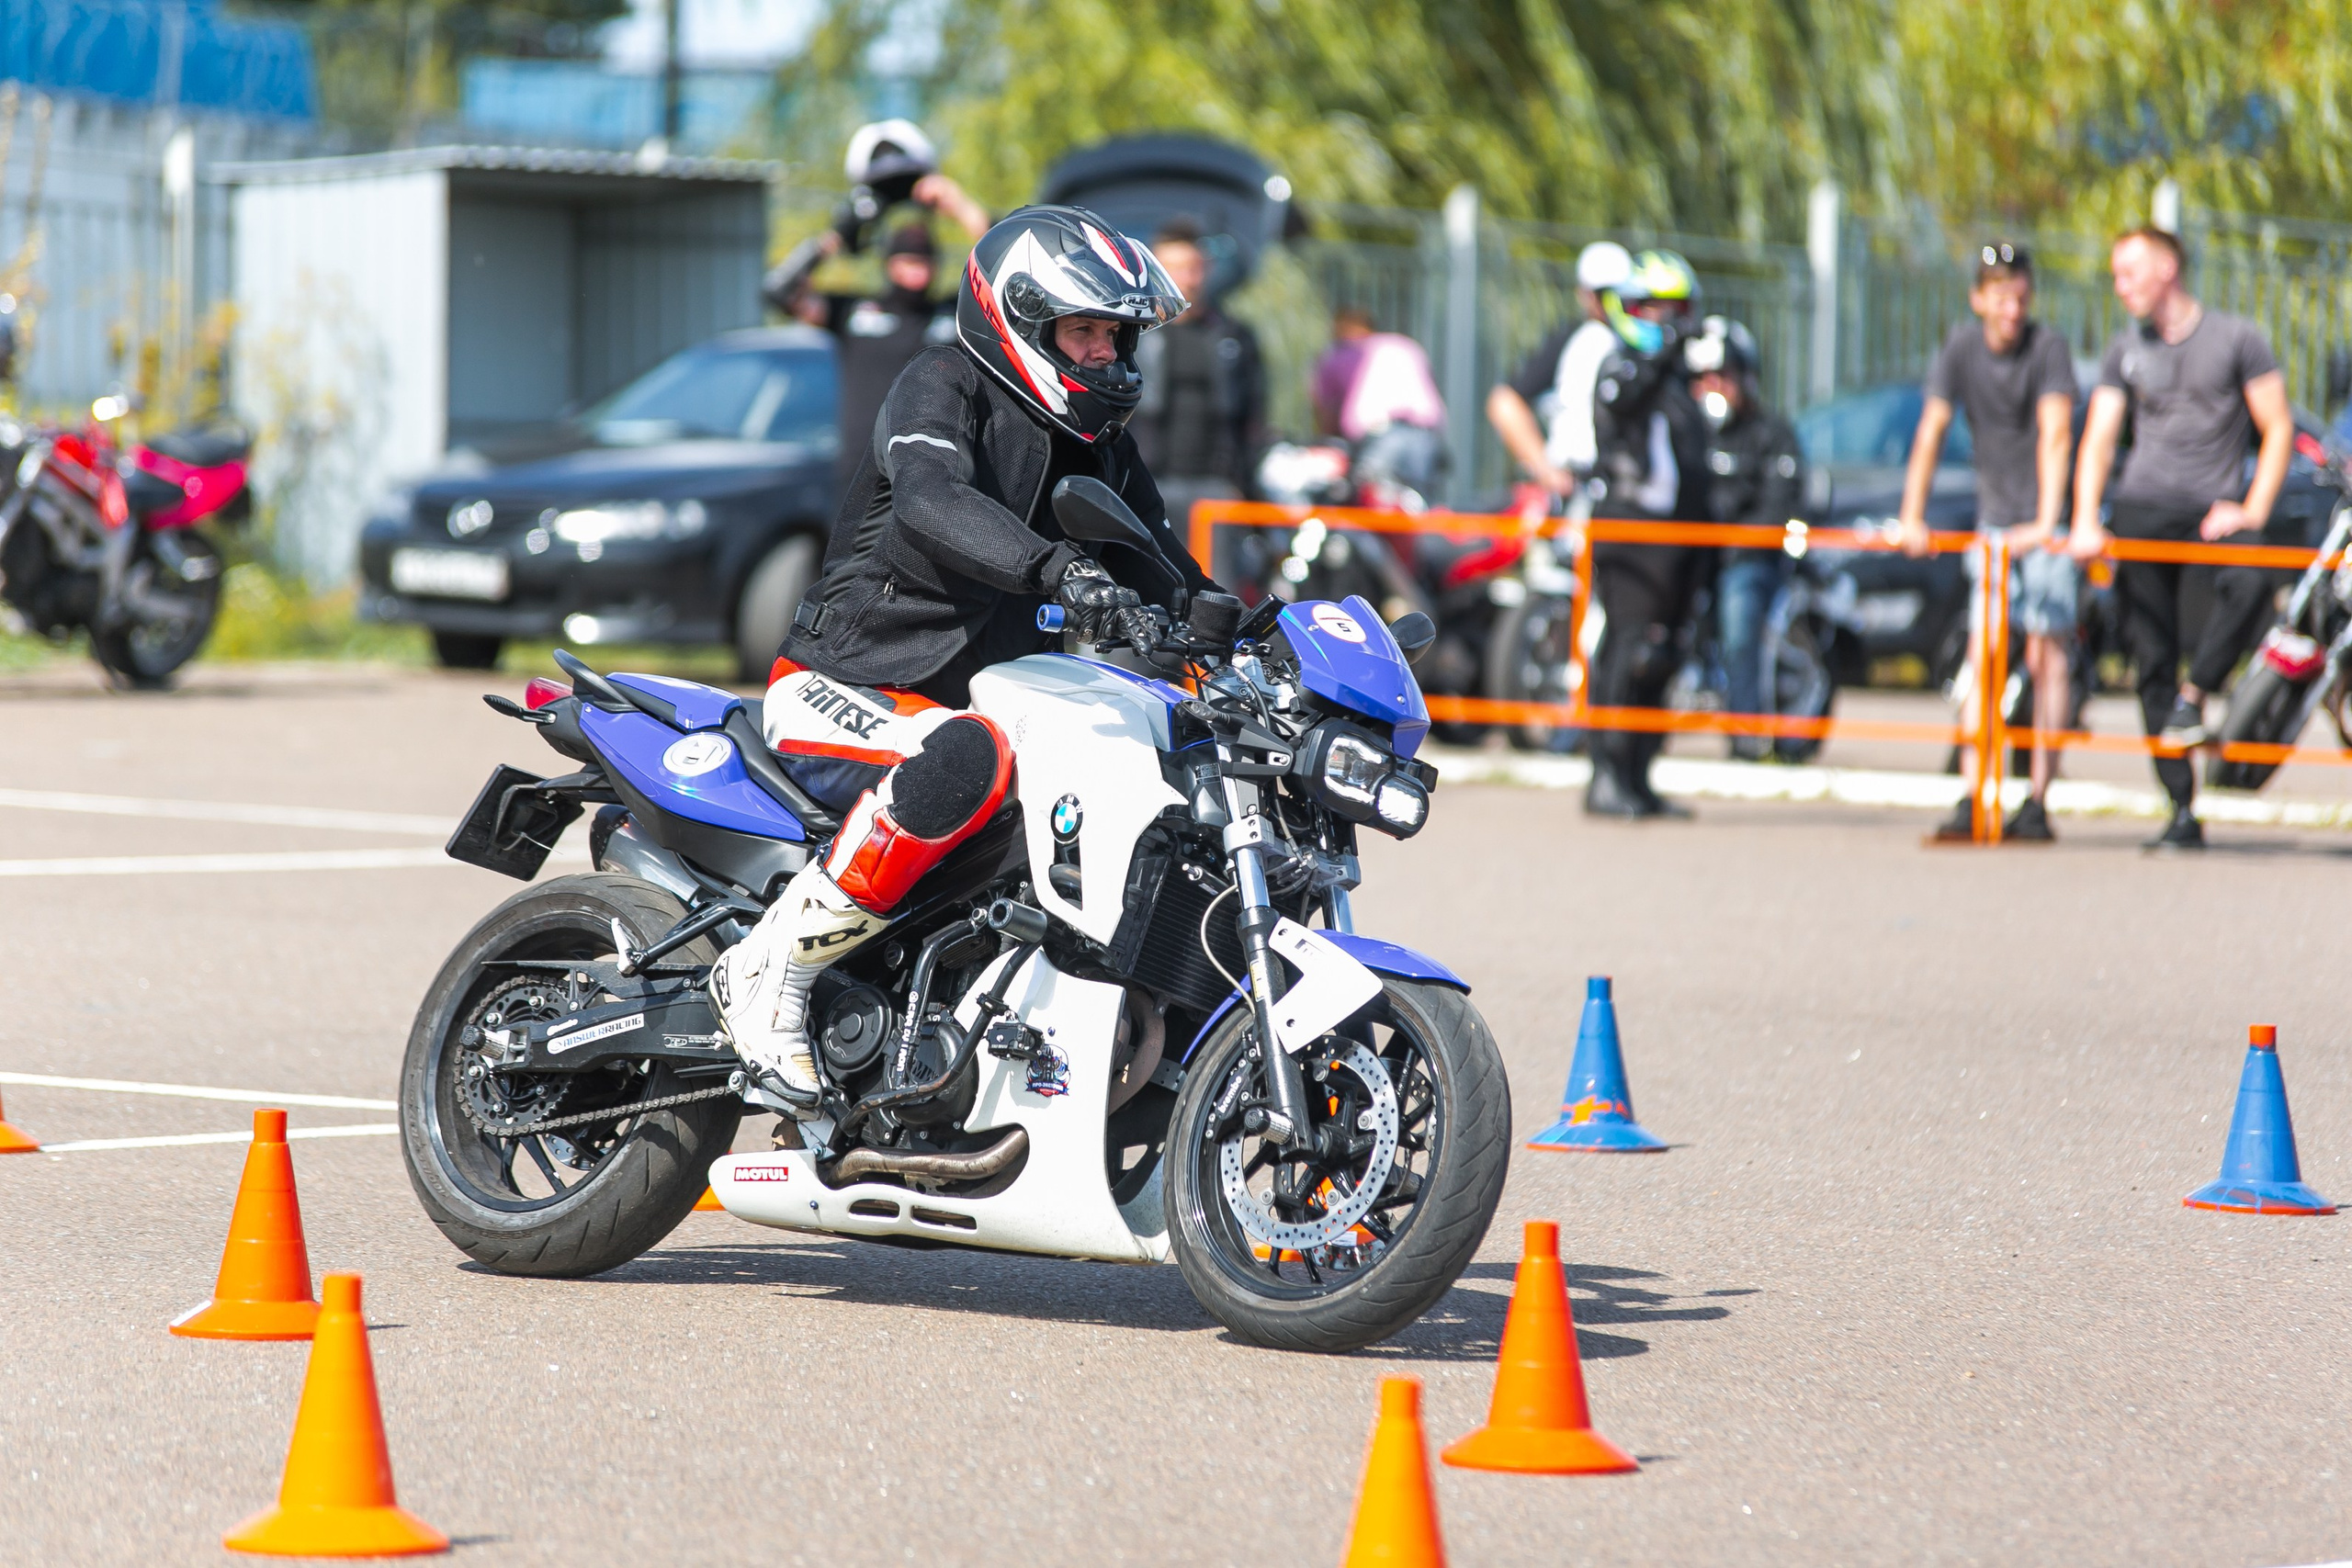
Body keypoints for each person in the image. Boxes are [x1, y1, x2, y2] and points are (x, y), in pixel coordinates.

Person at [710, 206, 1216, 1101]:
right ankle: (769, 968)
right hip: (844, 682)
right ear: (1021, 320)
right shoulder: (941, 384)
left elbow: (1163, 563)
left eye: (1115, 335)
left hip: (972, 705)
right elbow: (930, 498)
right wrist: (1056, 569)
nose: (1105, 353)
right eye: (1085, 332)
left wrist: (1253, 635)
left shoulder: (1101, 445)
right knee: (973, 754)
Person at [2069, 226, 2293, 852]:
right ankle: (2180, 808)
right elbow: (2100, 439)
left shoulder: (2236, 339)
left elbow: (2277, 427)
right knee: (2151, 659)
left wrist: (2251, 509)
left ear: (2167, 268)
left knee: (2253, 580)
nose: (2120, 286)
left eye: (2129, 272)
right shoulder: (2126, 348)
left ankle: (2196, 695)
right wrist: (2086, 518)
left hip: (2211, 511)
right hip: (2142, 508)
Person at [1494, 248, 1707, 818]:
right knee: (1622, 651)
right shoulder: (1621, 365)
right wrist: (1666, 352)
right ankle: (1607, 775)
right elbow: (1626, 402)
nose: (1664, 321)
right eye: (1650, 308)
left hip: (1673, 532)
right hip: (1627, 527)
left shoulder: (1677, 373)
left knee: (1661, 655)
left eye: (1673, 309)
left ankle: (1639, 775)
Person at [1896, 242, 2081, 843]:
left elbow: (2057, 434)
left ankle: (2038, 799)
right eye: (2000, 296)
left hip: (2045, 523)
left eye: (2021, 297)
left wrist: (2046, 523)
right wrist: (1911, 516)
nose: (2012, 309)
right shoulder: (1961, 348)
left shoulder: (2047, 348)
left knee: (2047, 658)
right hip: (1996, 524)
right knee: (1984, 655)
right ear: (1978, 298)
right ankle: (1975, 793)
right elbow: (1930, 431)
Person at [761, 119, 992, 494]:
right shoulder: (855, 313)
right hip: (861, 483)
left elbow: (1011, 269)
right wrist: (838, 236)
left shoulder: (953, 313)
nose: (916, 269)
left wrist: (959, 206)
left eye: (923, 259)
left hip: (938, 483)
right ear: (888, 262)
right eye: (906, 258)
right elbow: (779, 292)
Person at [1684, 316, 1804, 761]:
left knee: (1738, 617)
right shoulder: (1687, 433)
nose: (1711, 387)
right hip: (1696, 556)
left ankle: (1745, 735)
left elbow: (1781, 506)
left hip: (1749, 560)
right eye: (1702, 378)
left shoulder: (1771, 433)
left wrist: (1733, 541)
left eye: (1722, 376)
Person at [1128, 217, 1265, 549]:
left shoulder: (1233, 336)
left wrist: (1242, 483)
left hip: (1216, 489)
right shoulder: (1132, 335)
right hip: (1147, 484)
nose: (1186, 279)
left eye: (1194, 268)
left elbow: (1254, 414)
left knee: (1217, 580)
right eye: (1175, 268)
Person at [1485, 242, 1634, 495]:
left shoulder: (1641, 345)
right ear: (1585, 295)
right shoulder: (1576, 340)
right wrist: (1547, 472)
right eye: (1604, 295)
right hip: (1578, 488)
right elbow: (1504, 403)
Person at [1309, 306, 1447, 500]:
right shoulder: (1404, 345)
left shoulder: (1345, 353)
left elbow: (1326, 411)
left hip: (1380, 437)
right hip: (1425, 437)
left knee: (1376, 505)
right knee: (1419, 504)